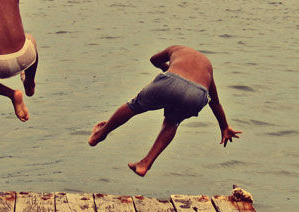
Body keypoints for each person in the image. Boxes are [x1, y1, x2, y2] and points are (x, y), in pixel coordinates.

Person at [88, 45, 241, 176]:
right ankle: (144, 164)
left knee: (134, 106)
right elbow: (215, 102)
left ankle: (99, 134)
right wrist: (224, 127)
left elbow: (154, 59)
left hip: (170, 81)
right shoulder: (207, 66)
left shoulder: (176, 49)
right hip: (197, 93)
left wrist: (165, 68)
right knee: (172, 123)